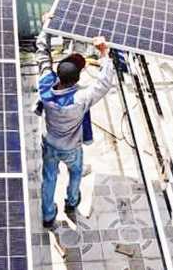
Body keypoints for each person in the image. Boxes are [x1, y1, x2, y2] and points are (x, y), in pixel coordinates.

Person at [37, 12, 115, 228]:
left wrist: (46, 27)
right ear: (78, 78)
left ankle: (47, 214)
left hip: (49, 143)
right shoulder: (80, 99)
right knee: (76, 173)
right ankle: (72, 202)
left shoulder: (45, 85)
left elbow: (42, 55)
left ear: (58, 74)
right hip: (72, 147)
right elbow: (104, 83)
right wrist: (104, 53)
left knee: (49, 178)